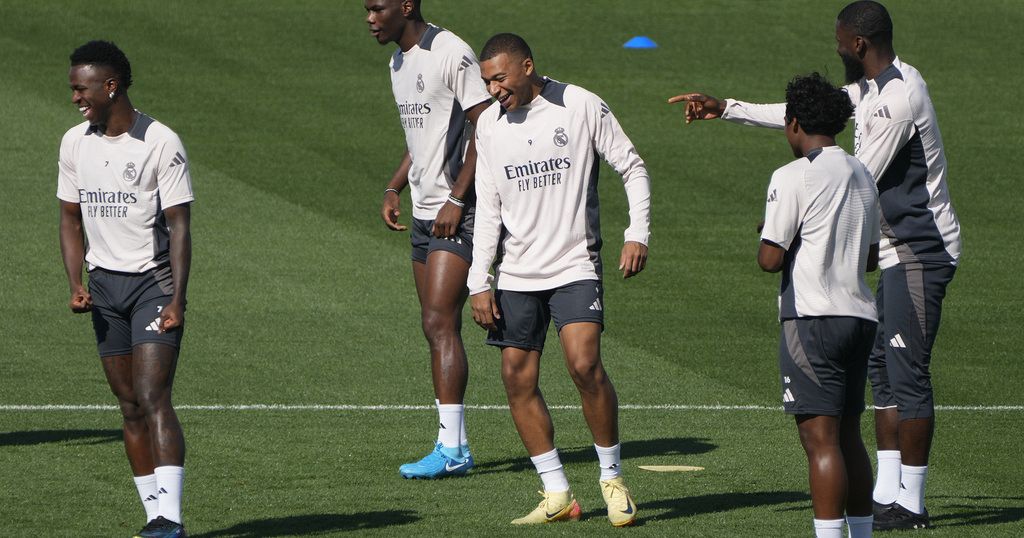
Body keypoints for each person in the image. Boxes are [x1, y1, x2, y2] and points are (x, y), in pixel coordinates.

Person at [669, 1, 960, 530]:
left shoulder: (898, 99)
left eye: (839, 41)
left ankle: (911, 505)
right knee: (878, 376)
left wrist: (797, 199)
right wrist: (728, 107)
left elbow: (851, 178)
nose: (836, 48)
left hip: (920, 248)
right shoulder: (869, 88)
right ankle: (887, 494)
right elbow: (811, 115)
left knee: (905, 373)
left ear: (858, 45)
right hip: (882, 252)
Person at [469, 33, 650, 527]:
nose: (493, 89)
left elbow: (631, 167)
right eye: (487, 81)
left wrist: (638, 233)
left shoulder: (579, 105)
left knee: (584, 365)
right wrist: (478, 281)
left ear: (527, 66)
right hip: (516, 272)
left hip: (575, 264)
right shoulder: (487, 124)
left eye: (500, 78)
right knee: (515, 377)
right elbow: (488, 208)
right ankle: (556, 493)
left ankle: (612, 479)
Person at [58, 40, 193, 538]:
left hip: (152, 285)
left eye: (81, 88)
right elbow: (69, 217)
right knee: (129, 404)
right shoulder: (75, 143)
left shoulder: (160, 142)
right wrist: (75, 281)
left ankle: (171, 519)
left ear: (110, 86)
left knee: (153, 394)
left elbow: (180, 225)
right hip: (104, 288)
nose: (75, 98)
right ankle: (153, 514)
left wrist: (177, 298)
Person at [364, 0, 492, 479]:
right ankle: (454, 444)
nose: (370, 19)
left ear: (405, 6)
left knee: (439, 320)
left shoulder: (451, 52)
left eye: (377, 8)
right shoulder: (397, 62)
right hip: (424, 212)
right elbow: (421, 136)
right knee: (436, 324)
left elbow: (487, 126)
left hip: (461, 210)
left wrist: (457, 198)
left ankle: (452, 450)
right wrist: (394, 185)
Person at [758, 72, 879, 538]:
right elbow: (870, 256)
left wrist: (772, 237)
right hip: (860, 318)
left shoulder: (793, 175)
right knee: (849, 435)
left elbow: (770, 259)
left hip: (811, 321)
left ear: (793, 123)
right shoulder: (862, 172)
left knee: (819, 441)